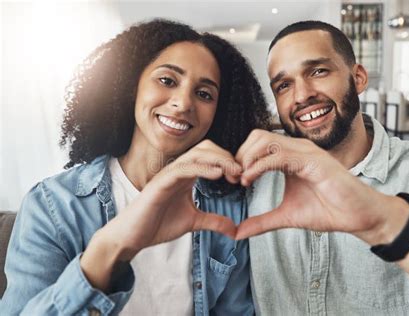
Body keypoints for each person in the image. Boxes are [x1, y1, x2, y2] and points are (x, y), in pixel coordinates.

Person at [0, 19, 270, 315]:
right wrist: (110, 248)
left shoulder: (227, 208)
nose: (183, 103)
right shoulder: (52, 206)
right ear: (132, 86)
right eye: (167, 80)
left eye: (204, 94)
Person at [234, 21, 409, 315]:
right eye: (284, 86)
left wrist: (386, 221)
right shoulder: (256, 171)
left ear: (358, 77)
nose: (302, 95)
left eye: (318, 71)